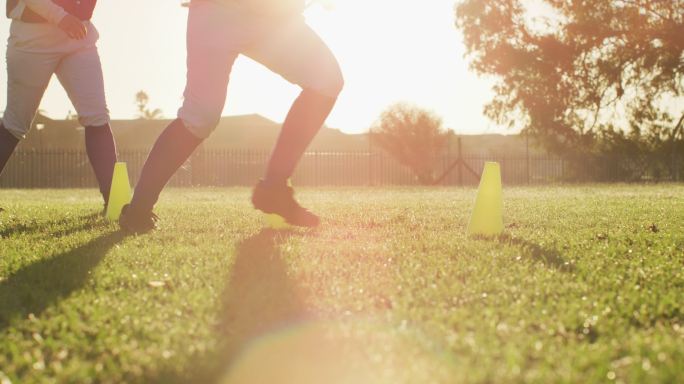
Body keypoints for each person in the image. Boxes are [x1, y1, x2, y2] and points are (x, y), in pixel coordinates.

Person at [119, 0, 343, 233]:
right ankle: (138, 209)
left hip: (275, 18)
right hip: (218, 11)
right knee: (201, 115)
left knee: (326, 81)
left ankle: (274, 189)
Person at [0, 0, 117, 209]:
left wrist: (80, 13)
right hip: (33, 37)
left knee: (97, 116)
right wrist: (61, 17)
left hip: (78, 34)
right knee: (15, 123)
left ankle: (115, 202)